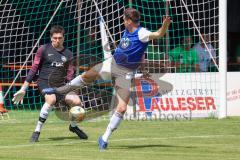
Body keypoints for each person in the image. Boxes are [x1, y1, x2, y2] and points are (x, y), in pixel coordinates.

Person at [43, 8, 171, 150]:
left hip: (126, 74)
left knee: (121, 108)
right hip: (112, 64)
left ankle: (104, 139)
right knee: (87, 76)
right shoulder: (128, 31)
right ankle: (59, 91)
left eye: (124, 19)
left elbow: (158, 34)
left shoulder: (142, 32)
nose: (122, 21)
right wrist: (143, 66)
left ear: (129, 21)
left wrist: (165, 24)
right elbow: (140, 51)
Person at [12, 25, 88, 142]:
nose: (57, 40)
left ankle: (73, 126)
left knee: (77, 102)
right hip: (45, 83)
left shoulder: (68, 54)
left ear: (64, 38)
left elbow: (70, 74)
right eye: (55, 38)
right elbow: (34, 69)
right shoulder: (43, 49)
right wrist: (23, 88)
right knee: (51, 100)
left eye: (60, 38)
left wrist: (71, 88)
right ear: (51, 38)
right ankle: (37, 131)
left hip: (61, 85)